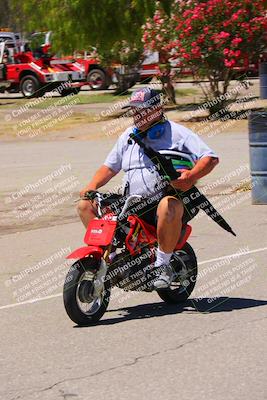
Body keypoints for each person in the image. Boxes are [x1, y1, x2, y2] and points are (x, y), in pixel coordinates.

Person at [78, 87, 219, 288]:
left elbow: (210, 158)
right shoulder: (128, 135)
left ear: (158, 109)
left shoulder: (177, 132)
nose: (138, 115)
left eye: (143, 110)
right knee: (85, 205)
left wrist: (191, 176)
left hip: (167, 201)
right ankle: (110, 259)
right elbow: (109, 167)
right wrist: (91, 186)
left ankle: (162, 265)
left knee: (167, 205)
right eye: (135, 110)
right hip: (132, 203)